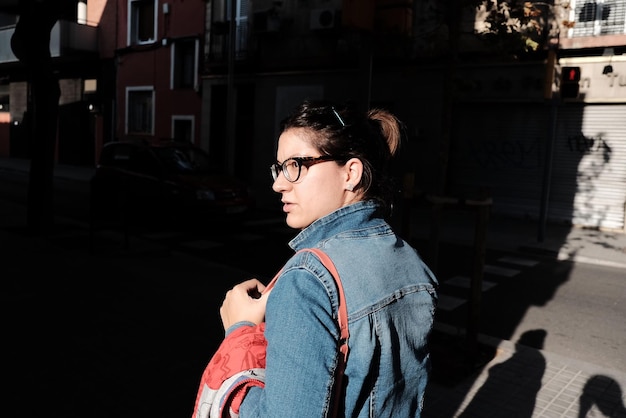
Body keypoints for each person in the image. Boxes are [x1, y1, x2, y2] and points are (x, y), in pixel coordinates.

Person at [218, 99, 439, 417]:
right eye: (279, 168)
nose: (278, 184)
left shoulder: (307, 280)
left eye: (295, 166)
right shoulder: (411, 260)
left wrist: (239, 334)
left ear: (350, 173)